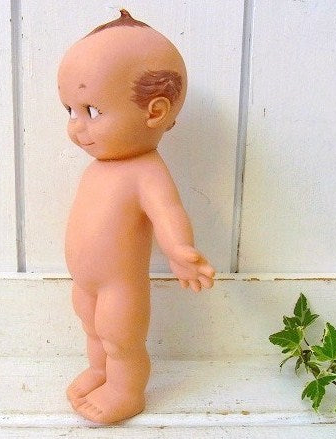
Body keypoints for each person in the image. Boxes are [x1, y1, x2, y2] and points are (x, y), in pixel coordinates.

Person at [57, 9, 215, 424]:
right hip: (85, 281)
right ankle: (100, 373)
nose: (76, 127)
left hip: (120, 286)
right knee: (93, 330)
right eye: (70, 110)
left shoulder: (147, 171)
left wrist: (180, 249)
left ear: (155, 112)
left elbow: (168, 212)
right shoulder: (99, 168)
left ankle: (126, 392)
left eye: (92, 111)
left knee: (120, 340)